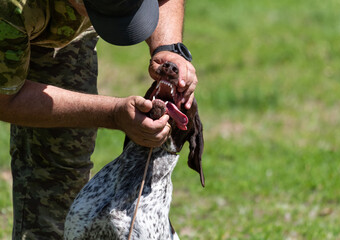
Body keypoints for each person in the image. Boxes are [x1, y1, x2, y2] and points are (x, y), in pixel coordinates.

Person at [0, 0, 198, 239]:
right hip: (15, 20)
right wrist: (113, 113)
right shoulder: (11, 8)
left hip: (63, 28)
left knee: (61, 167)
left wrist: (168, 47)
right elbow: (5, 99)